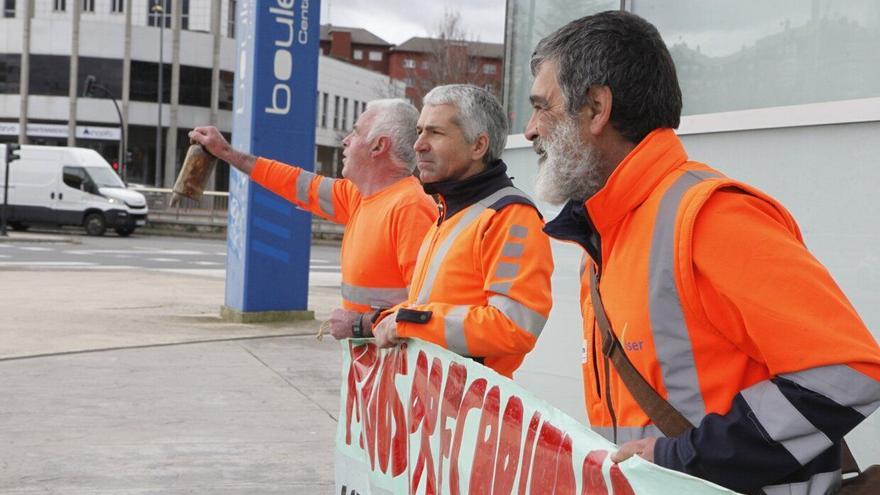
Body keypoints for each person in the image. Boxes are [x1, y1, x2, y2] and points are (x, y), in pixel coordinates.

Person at [525, 11, 880, 495]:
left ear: (596, 108)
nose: (529, 130)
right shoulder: (606, 234)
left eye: (542, 107)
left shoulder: (708, 217)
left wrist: (679, 459)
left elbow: (848, 374)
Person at [189, 99, 437, 339]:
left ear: (378, 146)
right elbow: (295, 183)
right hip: (373, 365)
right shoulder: (359, 196)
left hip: (397, 369)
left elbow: (425, 310)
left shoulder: (410, 207)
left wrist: (360, 326)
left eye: (355, 132)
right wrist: (227, 153)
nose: (345, 141)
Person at [371, 84, 554, 379]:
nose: (419, 144)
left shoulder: (510, 216)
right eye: (420, 131)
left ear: (478, 146)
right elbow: (434, 304)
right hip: (439, 405)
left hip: (472, 410)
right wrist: (381, 319)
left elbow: (514, 327)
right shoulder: (451, 211)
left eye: (435, 132)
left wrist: (410, 321)